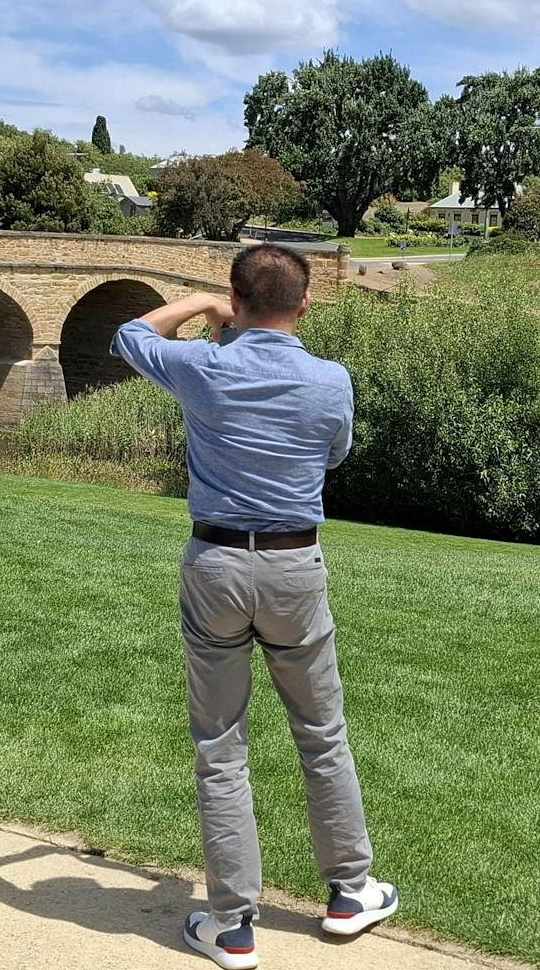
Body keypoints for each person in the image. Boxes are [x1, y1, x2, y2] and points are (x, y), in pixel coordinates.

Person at [112, 245, 397, 970]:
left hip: (215, 563)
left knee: (220, 748)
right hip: (293, 566)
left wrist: (204, 311)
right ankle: (348, 893)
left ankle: (232, 925)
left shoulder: (206, 367)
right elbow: (333, 456)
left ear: (236, 303)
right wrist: (233, 321)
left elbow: (131, 334)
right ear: (305, 305)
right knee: (321, 732)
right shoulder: (331, 380)